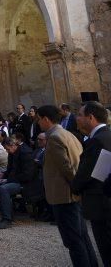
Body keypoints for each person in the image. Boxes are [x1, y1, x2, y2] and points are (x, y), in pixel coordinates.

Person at [38, 104, 98, 267]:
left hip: (64, 196)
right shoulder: (68, 134)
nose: (38, 123)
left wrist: (76, 186)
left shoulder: (55, 137)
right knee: (82, 237)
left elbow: (67, 168)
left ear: (45, 119)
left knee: (73, 241)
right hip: (71, 194)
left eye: (39, 119)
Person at [72, 101, 111, 267]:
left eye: (80, 115)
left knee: (106, 247)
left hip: (100, 202)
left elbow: (87, 174)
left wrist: (74, 187)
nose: (77, 118)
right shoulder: (107, 135)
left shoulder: (96, 141)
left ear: (91, 117)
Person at [0, 136, 35, 229]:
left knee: (4, 189)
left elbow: (27, 175)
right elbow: (10, 170)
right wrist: (3, 175)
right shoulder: (12, 153)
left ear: (13, 145)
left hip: (24, 183)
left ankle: (7, 219)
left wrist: (8, 180)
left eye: (7, 149)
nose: (7, 151)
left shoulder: (25, 153)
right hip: (12, 180)